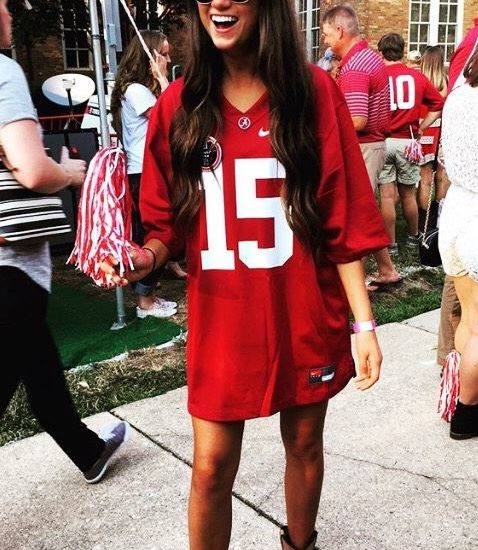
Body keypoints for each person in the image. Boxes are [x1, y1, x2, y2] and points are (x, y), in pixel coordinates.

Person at [102, 1, 388, 548]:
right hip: (223, 318)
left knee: (304, 444)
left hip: (303, 312)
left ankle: (300, 543)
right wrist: (145, 258)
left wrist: (364, 323)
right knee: (211, 466)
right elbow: (167, 226)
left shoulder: (312, 92)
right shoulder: (178, 104)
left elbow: (340, 215)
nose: (219, 2)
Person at [0, 0, 128, 483]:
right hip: (9, 264)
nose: (10, 12)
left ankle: (88, 451)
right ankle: (87, 450)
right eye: (4, 3)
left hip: (12, 272)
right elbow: (33, 170)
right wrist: (70, 173)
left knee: (37, 360)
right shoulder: (3, 72)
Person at [438, 11, 478, 439]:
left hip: (456, 215)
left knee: (469, 320)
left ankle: (472, 391)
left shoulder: (459, 95)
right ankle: (467, 414)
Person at [322, 4, 400, 292]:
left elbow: (356, 120)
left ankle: (353, 282)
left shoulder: (355, 66)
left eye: (327, 34)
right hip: (371, 145)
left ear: (340, 31)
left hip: (364, 146)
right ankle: (387, 269)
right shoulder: (366, 58)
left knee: (355, 214)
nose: (325, 40)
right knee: (363, 210)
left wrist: (324, 125)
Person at [110, 30, 184, 320]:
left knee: (159, 230)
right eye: (163, 54)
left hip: (147, 170)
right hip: (143, 171)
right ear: (149, 56)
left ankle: (152, 288)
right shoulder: (136, 90)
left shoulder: (138, 89)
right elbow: (172, 118)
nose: (168, 59)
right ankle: (145, 301)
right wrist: (164, 80)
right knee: (152, 233)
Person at [376, 33, 444, 250]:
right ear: (402, 51)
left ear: (381, 52)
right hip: (407, 141)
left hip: (383, 140)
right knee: (408, 194)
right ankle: (414, 236)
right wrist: (422, 127)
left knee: (387, 196)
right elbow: (438, 104)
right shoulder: (416, 76)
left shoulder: (376, 76)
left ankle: (391, 242)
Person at [417, 45, 448, 230]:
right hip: (441, 132)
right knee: (441, 178)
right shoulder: (445, 81)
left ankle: (424, 224)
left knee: (425, 180)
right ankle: (438, 221)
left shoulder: (419, 80)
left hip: (424, 129)